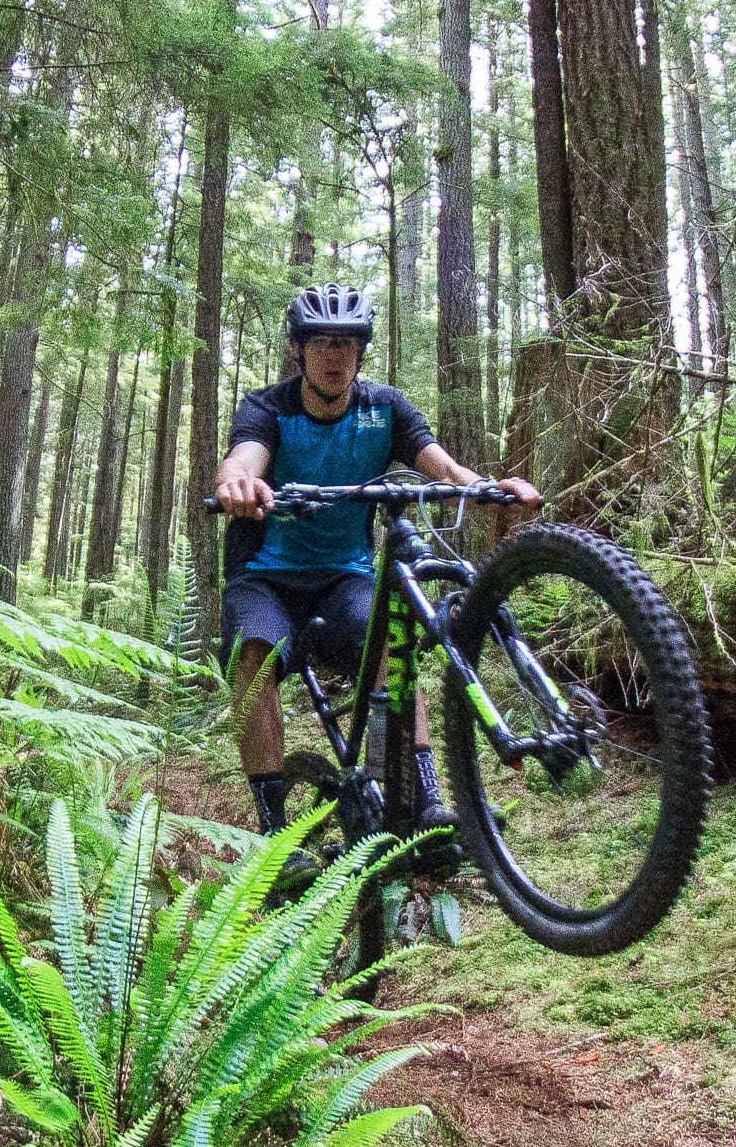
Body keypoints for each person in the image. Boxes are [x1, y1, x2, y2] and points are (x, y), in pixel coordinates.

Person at [212, 282, 537, 861]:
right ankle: (271, 834)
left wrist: (486, 490)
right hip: (266, 576)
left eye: (347, 344)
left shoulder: (383, 408)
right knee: (254, 651)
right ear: (299, 350)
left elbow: (440, 462)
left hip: (345, 578)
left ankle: (423, 800)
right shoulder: (268, 407)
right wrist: (239, 481)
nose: (334, 356)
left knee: (395, 632)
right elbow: (246, 455)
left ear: (362, 352)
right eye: (321, 344)